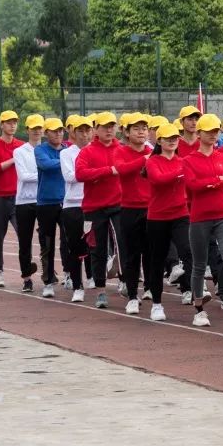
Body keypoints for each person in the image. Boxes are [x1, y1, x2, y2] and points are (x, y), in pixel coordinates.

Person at [182, 113, 223, 325]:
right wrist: (217, 180)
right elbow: (192, 185)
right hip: (200, 216)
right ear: (199, 133)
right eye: (209, 131)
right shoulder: (188, 160)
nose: (213, 135)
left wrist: (215, 182)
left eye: (216, 131)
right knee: (199, 264)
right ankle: (198, 308)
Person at [74, 112, 126, 309]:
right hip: (93, 208)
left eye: (112, 126)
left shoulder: (121, 149)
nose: (109, 130)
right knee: (97, 249)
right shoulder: (87, 152)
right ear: (96, 129)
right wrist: (108, 171)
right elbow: (80, 174)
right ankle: (101, 291)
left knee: (123, 244)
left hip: (118, 205)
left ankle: (125, 282)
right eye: (105, 127)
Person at [144, 122, 194, 321]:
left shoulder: (182, 161)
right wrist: (182, 171)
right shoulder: (153, 161)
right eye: (168, 138)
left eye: (175, 138)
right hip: (158, 217)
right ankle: (157, 304)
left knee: (187, 251)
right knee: (157, 260)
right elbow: (159, 179)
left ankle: (189, 286)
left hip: (180, 214)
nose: (173, 141)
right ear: (160, 141)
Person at [116, 113, 153, 314]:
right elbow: (122, 170)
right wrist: (144, 160)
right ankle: (131, 296)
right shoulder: (121, 151)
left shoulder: (152, 151)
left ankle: (151, 289)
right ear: (127, 132)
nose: (141, 132)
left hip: (151, 208)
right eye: (136, 128)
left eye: (144, 128)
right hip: (129, 209)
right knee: (132, 255)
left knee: (151, 252)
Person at [0, 110, 24, 288]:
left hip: (19, 197)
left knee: (23, 234)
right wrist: (14, 159)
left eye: (14, 122)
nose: (12, 125)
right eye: (8, 122)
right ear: (1, 125)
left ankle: (27, 272)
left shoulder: (21, 145)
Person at [60, 116, 93, 301]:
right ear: (73, 132)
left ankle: (94, 278)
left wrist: (87, 173)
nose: (84, 134)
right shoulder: (66, 153)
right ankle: (77, 286)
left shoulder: (96, 150)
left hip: (94, 203)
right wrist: (93, 173)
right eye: (80, 131)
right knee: (75, 246)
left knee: (95, 244)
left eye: (88, 130)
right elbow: (70, 176)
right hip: (73, 204)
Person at [13, 114, 46, 293]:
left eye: (39, 128)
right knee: (25, 241)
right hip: (24, 201)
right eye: (33, 128)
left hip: (44, 200)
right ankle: (27, 278)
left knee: (46, 238)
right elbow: (23, 176)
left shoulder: (47, 149)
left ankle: (48, 274)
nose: (37, 131)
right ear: (27, 130)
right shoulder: (19, 151)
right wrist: (45, 173)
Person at [34, 118, 67, 298]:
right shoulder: (40, 150)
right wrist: (66, 161)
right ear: (46, 133)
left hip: (66, 202)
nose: (58, 134)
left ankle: (70, 274)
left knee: (69, 240)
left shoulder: (67, 149)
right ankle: (48, 281)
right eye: (54, 131)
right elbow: (45, 165)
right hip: (46, 203)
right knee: (47, 243)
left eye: (61, 130)